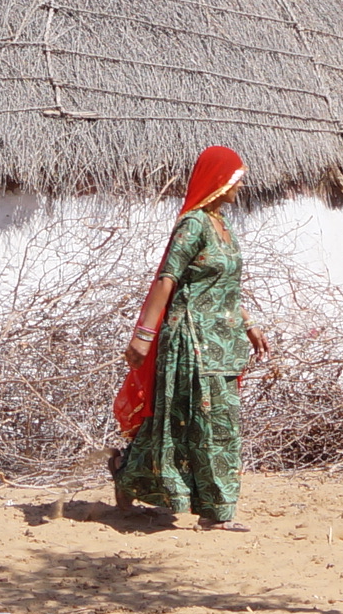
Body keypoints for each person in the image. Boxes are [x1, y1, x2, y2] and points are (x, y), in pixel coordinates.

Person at [110, 145, 270, 530]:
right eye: (235, 177)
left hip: (223, 341)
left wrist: (249, 324)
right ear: (218, 180)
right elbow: (167, 278)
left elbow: (224, 285)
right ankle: (215, 513)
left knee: (198, 422)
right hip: (192, 341)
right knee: (201, 423)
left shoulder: (223, 226)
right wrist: (143, 336)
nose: (240, 185)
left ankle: (127, 472)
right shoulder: (193, 224)